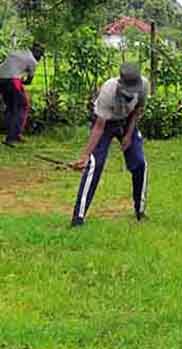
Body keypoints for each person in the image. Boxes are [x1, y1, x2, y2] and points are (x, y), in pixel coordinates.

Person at [69, 63, 149, 227]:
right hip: (105, 124)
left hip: (127, 122)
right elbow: (99, 127)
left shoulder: (144, 86)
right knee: (93, 164)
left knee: (140, 163)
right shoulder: (108, 90)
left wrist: (128, 134)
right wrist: (85, 155)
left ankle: (139, 210)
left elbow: (137, 111)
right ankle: (78, 217)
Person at [0, 43, 44, 147]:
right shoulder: (32, 61)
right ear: (37, 53)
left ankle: (14, 133)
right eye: (40, 56)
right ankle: (11, 137)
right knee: (21, 107)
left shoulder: (17, 52)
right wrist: (23, 81)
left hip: (1, 79)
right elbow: (29, 81)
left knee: (11, 107)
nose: (39, 58)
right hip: (13, 81)